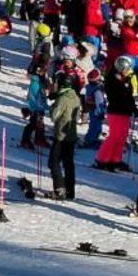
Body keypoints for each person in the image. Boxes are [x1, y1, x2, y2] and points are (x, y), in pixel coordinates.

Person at [47, 71, 81, 200]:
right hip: (72, 134)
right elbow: (77, 117)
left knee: (54, 162)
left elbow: (54, 116)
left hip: (61, 135)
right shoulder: (75, 97)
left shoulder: (62, 99)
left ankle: (59, 189)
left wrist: (52, 107)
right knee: (68, 163)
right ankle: (70, 190)